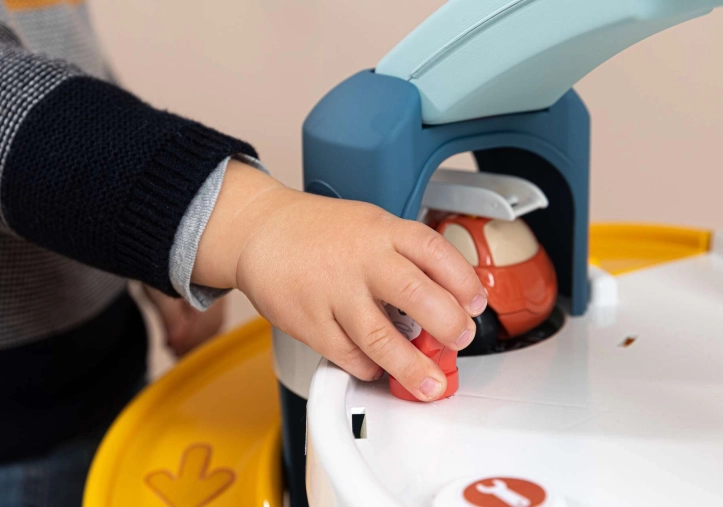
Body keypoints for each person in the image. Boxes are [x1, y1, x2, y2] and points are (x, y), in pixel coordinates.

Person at [0, 1, 487, 505]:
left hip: (102, 360)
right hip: (18, 436)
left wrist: (150, 244)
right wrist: (252, 221)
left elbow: (65, 70)